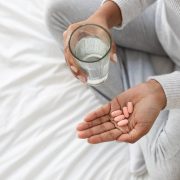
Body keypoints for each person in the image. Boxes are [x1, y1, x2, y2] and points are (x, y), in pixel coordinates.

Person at [46, 0, 180, 179]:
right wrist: (103, 17)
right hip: (164, 25)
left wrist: (160, 91)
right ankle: (139, 89)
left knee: (165, 171)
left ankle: (138, 77)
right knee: (59, 15)